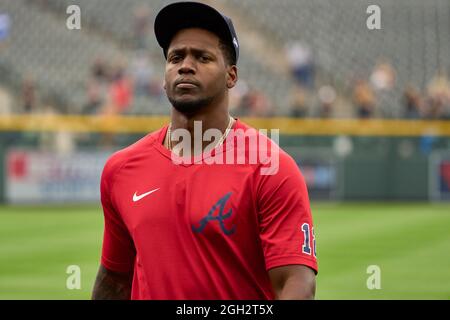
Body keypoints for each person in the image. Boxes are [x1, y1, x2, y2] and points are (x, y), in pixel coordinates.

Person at [92, 1, 317, 300]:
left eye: (203, 57)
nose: (185, 65)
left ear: (231, 76)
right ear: (164, 76)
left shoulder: (271, 168)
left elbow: (296, 284)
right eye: (175, 57)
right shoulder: (120, 170)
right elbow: (115, 279)